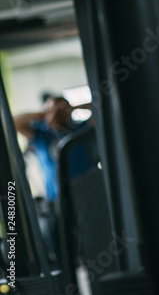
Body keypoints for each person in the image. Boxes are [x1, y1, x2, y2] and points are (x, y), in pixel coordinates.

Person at [14, 95, 92, 267]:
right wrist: (41, 114)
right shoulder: (42, 135)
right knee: (61, 253)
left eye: (61, 109)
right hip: (57, 203)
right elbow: (14, 122)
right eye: (51, 110)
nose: (55, 113)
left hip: (86, 199)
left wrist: (72, 108)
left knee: (94, 247)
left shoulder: (80, 129)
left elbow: (100, 109)